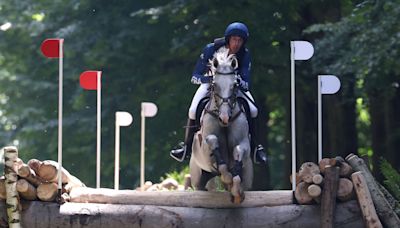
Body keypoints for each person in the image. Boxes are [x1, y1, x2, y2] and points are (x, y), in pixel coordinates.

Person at [170, 22, 267, 164]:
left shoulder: (244, 54)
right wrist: (211, 78)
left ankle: (256, 148)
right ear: (228, 39)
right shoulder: (211, 49)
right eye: (234, 39)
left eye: (240, 40)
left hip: (233, 87)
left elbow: (246, 81)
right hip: (210, 85)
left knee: (253, 110)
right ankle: (186, 148)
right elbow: (195, 76)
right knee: (192, 110)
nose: (237, 44)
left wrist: (238, 81)